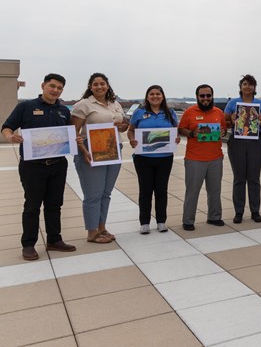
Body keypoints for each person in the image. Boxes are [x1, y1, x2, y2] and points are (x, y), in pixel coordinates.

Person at [2, 73, 77, 260]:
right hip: (32, 167)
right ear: (43, 85)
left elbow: (66, 134)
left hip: (58, 165)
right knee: (32, 206)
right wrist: (10, 136)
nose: (55, 90)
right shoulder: (26, 107)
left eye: (59, 88)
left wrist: (75, 140)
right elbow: (7, 127)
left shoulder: (63, 111)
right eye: (52, 86)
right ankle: (28, 244)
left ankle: (54, 239)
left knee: (54, 204)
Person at [72, 73, 128, 244]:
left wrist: (123, 125)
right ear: (90, 87)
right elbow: (73, 132)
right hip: (91, 151)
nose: (99, 87)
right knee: (93, 194)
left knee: (106, 193)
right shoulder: (83, 105)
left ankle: (102, 228)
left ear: (107, 85)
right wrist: (83, 150)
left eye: (102, 83)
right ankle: (92, 232)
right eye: (95, 84)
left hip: (113, 150)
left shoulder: (115, 104)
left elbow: (124, 126)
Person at [127, 85, 180, 234]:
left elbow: (175, 132)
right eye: (152, 94)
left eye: (158, 94)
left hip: (165, 158)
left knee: (161, 190)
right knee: (145, 191)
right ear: (147, 96)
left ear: (162, 96)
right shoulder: (139, 112)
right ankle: (144, 222)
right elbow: (131, 130)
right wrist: (132, 140)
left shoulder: (170, 113)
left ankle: (161, 221)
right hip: (143, 158)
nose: (155, 96)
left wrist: (176, 139)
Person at [178, 84, 227, 231]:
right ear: (197, 97)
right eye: (202, 96)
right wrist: (192, 133)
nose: (205, 98)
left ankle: (214, 217)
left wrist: (223, 132)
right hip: (194, 159)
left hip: (215, 158)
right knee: (192, 191)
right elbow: (181, 129)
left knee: (215, 191)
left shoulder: (219, 112)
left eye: (208, 95)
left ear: (212, 96)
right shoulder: (189, 112)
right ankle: (188, 220)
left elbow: (224, 129)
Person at [224, 75, 261, 223]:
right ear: (240, 86)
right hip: (237, 142)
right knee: (239, 178)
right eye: (245, 84)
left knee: (254, 178)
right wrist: (231, 119)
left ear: (255, 87)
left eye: (250, 84)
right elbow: (225, 123)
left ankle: (255, 211)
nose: (247, 87)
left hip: (256, 142)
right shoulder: (233, 103)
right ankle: (239, 212)